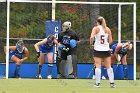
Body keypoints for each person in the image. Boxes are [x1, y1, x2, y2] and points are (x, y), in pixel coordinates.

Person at [90, 16, 116, 88]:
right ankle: (112, 83)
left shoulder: (95, 28)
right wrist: (106, 45)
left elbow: (91, 37)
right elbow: (111, 41)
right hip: (106, 50)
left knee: (98, 66)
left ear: (98, 22)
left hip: (97, 49)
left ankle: (98, 84)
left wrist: (91, 44)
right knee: (109, 67)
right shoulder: (107, 29)